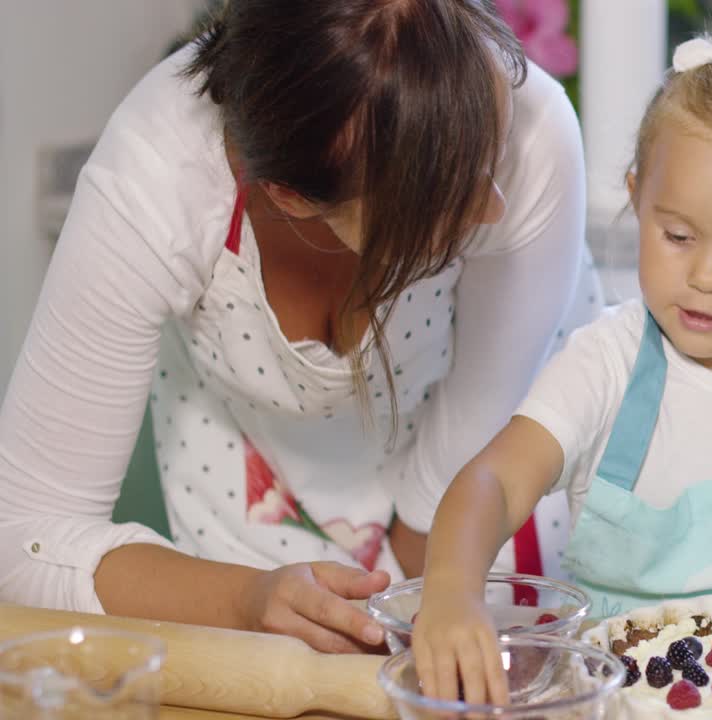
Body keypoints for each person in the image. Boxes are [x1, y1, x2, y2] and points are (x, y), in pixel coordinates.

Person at [0, 0, 600, 655]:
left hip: (469, 516)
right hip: (248, 517)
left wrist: (397, 620)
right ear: (290, 195)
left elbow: (458, 475)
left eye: (493, 152)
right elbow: (23, 536)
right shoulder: (157, 175)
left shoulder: (536, 130)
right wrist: (249, 600)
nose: (495, 208)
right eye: (442, 199)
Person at [411, 0, 712, 704]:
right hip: (622, 701)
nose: (706, 276)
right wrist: (452, 592)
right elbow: (491, 484)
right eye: (677, 236)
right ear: (638, 200)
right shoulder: (602, 362)